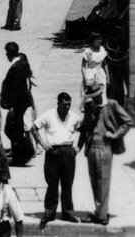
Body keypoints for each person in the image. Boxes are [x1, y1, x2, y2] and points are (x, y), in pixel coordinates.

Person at [77, 90, 132, 225]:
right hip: (91, 148)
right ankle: (99, 211)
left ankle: (101, 216)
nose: (93, 100)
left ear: (101, 94)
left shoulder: (112, 105)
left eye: (95, 97)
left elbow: (127, 121)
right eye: (91, 98)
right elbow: (84, 129)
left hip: (105, 147)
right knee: (94, 181)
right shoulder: (90, 107)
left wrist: (115, 135)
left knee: (103, 181)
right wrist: (79, 147)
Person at [33, 91, 82, 228]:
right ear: (58, 103)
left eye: (69, 105)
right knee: (52, 184)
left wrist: (79, 147)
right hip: (53, 152)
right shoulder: (49, 115)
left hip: (68, 152)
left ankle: (68, 212)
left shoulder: (74, 117)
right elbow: (34, 128)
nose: (67, 107)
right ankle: (49, 212)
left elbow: (84, 130)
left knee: (67, 184)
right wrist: (42, 144)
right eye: (65, 105)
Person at [1, 42, 35, 166]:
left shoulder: (16, 67)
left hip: (17, 105)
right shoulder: (22, 64)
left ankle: (21, 156)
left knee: (14, 131)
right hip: (22, 104)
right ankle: (21, 155)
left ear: (9, 53)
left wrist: (11, 105)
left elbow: (15, 89)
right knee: (16, 130)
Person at [80, 33, 109, 105]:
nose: (100, 41)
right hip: (90, 74)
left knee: (102, 93)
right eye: (98, 39)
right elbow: (83, 66)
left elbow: (105, 64)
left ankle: (101, 109)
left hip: (101, 74)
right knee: (92, 93)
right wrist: (84, 77)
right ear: (93, 40)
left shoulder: (102, 49)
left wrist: (108, 77)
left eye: (100, 39)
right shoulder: (88, 51)